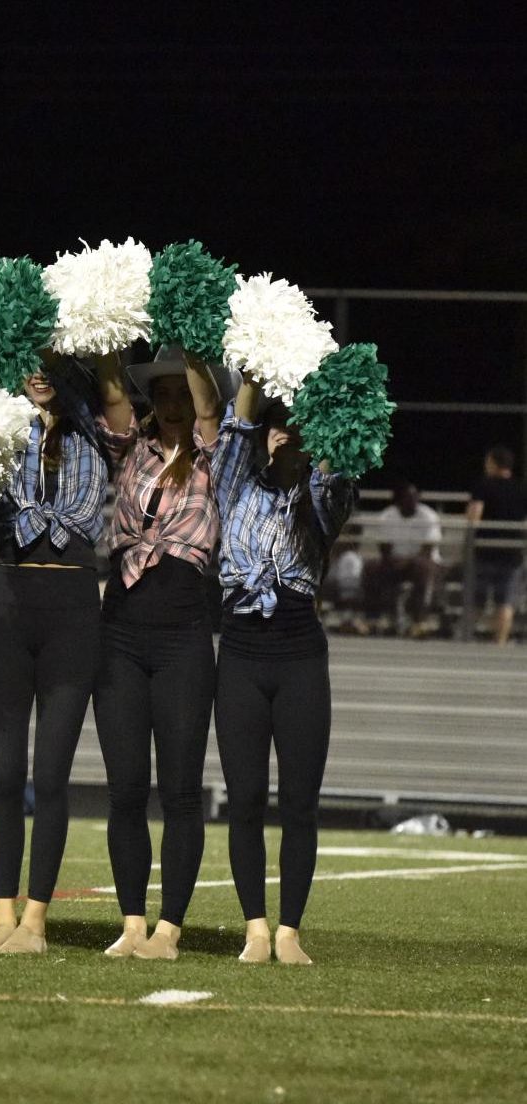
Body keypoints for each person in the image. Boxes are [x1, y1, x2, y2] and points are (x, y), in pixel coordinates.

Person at [0, 352, 128, 955]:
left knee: (51, 774)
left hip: (70, 606)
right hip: (6, 600)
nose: (37, 373)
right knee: (6, 773)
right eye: (26, 362)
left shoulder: (93, 432)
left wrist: (25, 516)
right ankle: (4, 916)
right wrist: (27, 516)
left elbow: (80, 521)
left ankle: (36, 922)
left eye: (52, 364)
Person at [204, 368, 357, 965]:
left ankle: (290, 931)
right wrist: (252, 379)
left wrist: (321, 441)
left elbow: (336, 484)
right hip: (240, 653)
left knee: (299, 801)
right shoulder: (234, 486)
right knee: (244, 799)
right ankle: (256, 929)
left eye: (294, 428)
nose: (281, 435)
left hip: (299, 656)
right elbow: (234, 432)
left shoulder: (324, 496)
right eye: (275, 425)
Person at [93, 347, 221, 961]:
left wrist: (196, 354)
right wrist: (104, 344)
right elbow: (114, 398)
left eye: (182, 394)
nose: (172, 404)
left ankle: (170, 927)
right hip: (119, 628)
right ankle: (133, 924)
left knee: (180, 791)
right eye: (161, 393)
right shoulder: (131, 448)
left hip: (183, 633)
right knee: (124, 789)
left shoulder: (218, 457)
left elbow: (212, 413)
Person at [362, 482, 444, 636]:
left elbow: (427, 550)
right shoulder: (387, 516)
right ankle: (373, 619)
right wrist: (394, 561)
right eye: (408, 498)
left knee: (422, 568)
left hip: (423, 563)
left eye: (415, 497)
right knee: (371, 567)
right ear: (398, 500)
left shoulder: (429, 516)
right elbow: (384, 548)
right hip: (395, 562)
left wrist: (407, 561)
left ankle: (420, 621)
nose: (413, 501)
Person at [466, 446, 526, 645]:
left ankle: (466, 639)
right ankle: (499, 643)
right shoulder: (521, 488)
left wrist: (469, 538)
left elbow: (474, 515)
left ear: (492, 463)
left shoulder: (483, 485)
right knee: (505, 601)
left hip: (485, 550)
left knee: (476, 600)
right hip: (512, 552)